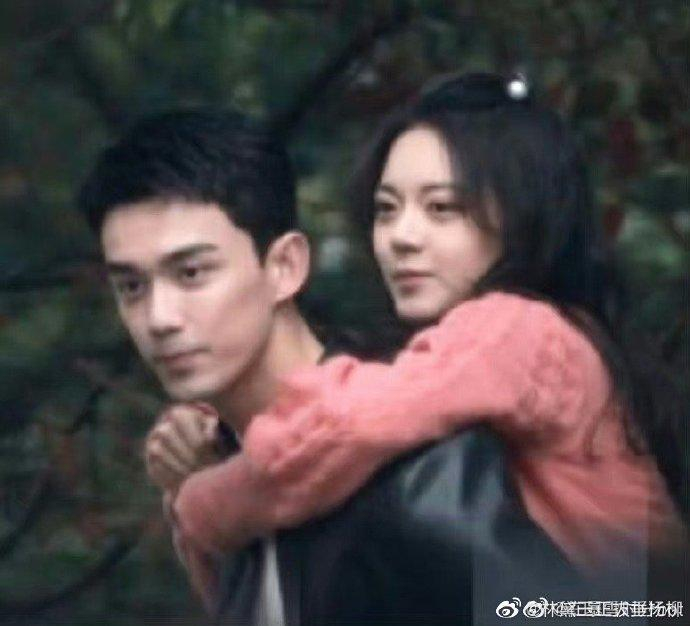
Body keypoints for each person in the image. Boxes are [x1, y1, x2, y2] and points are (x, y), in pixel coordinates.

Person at [159, 74, 688, 587]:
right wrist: (223, 444)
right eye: (386, 210)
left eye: (442, 208)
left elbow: (343, 429)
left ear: (522, 218)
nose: (401, 236)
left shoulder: (518, 328)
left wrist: (201, 503)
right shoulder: (531, 343)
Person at [78, 107, 577, 626]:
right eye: (131, 286)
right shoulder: (231, 497)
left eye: (191, 273)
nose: (159, 318)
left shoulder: (400, 469)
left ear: (285, 267)